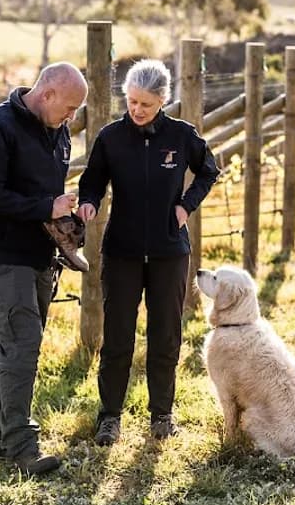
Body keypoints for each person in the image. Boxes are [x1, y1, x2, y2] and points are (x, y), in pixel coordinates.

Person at [77, 59, 219, 446]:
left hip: (169, 252)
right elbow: (92, 182)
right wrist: (88, 202)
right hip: (121, 250)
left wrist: (186, 205)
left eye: (146, 104)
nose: (137, 110)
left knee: (166, 335)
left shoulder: (181, 135)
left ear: (162, 101)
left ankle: (162, 414)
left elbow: (209, 171)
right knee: (118, 337)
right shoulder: (110, 137)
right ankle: (110, 417)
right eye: (132, 101)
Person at [0, 62, 88, 475]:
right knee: (22, 342)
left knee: (15, 344)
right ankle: (22, 449)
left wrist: (68, 221)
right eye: (69, 107)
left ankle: (3, 440)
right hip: (4, 249)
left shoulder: (59, 132)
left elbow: (48, 194)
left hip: (40, 252)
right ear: (48, 93)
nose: (72, 117)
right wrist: (44, 207)